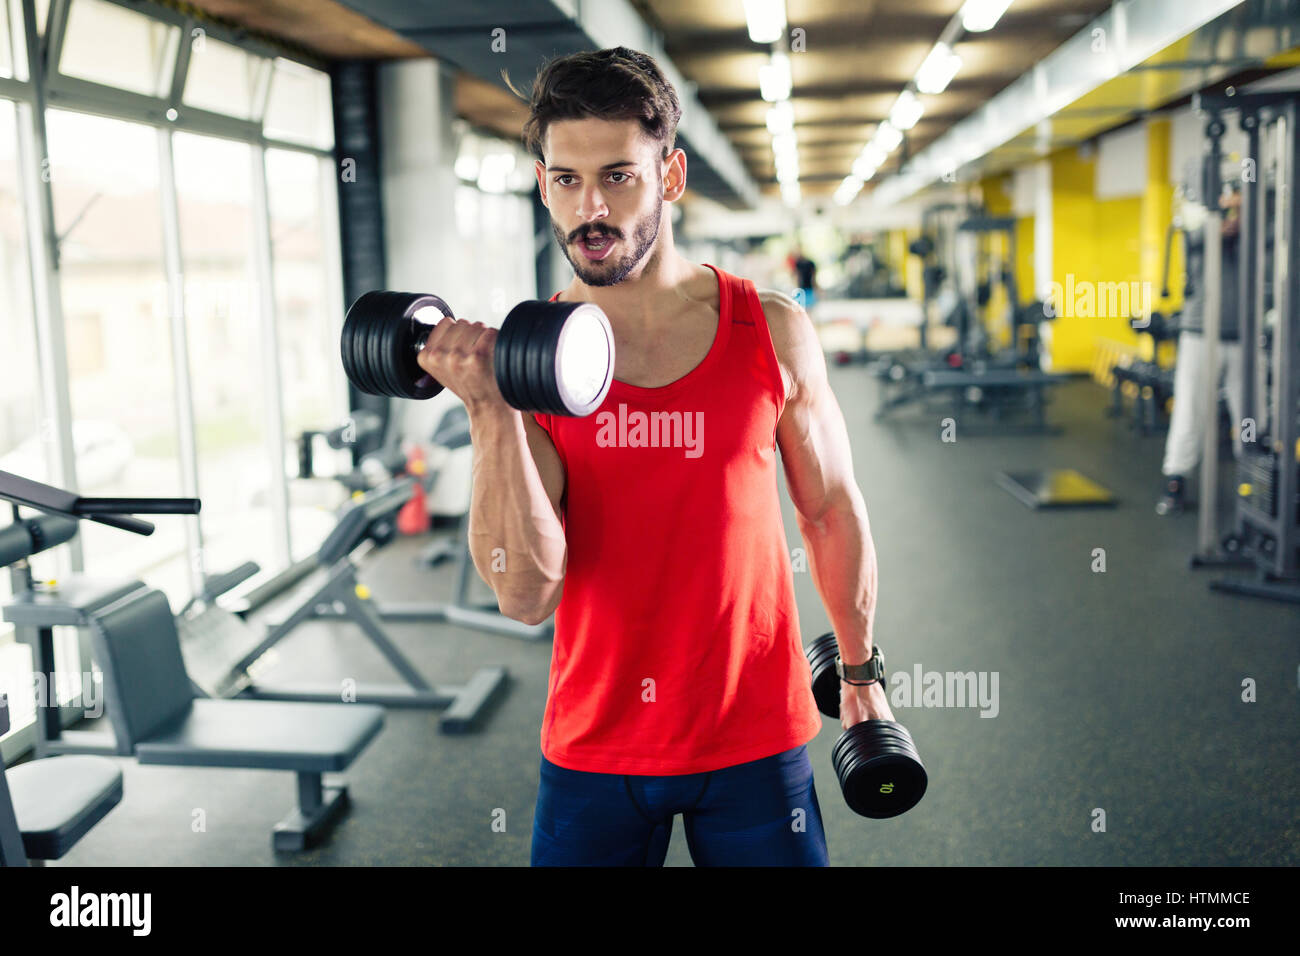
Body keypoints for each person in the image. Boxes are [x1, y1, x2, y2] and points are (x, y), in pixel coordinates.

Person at [416, 47, 887, 866]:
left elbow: (830, 508)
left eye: (618, 177)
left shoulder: (770, 331)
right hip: (596, 745)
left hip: (755, 737)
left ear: (668, 178)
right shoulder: (529, 367)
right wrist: (491, 409)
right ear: (542, 185)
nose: (590, 208)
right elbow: (526, 595)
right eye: (566, 180)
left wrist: (859, 670)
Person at [1157, 184, 1245, 516]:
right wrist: (1221, 221)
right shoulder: (1195, 227)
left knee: (1251, 417)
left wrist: (1246, 211)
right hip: (1199, 336)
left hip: (1242, 338)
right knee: (1190, 411)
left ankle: (1256, 486)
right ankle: (1175, 481)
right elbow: (1195, 235)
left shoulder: (1254, 230)